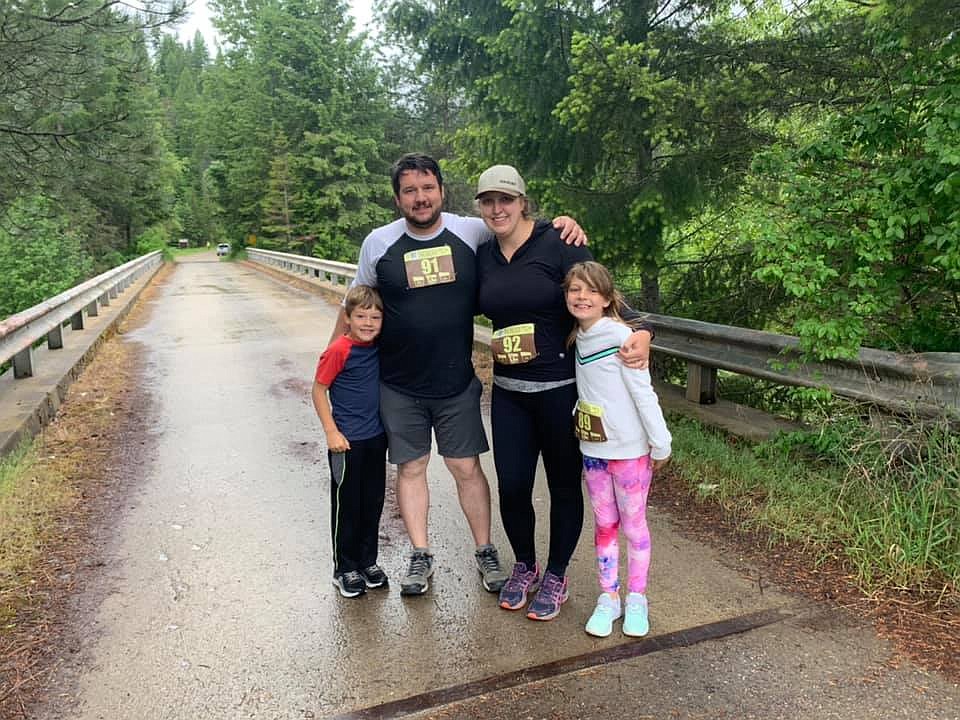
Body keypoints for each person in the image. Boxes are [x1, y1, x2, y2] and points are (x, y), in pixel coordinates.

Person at [327, 153, 588, 597]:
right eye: (409, 190)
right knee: (411, 468)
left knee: (466, 468)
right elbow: (353, 303)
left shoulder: (471, 230)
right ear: (397, 198)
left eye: (427, 188)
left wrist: (565, 223)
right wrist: (334, 360)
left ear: (442, 191)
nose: (420, 197)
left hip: (457, 385)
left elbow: (520, 227)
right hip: (399, 384)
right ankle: (420, 555)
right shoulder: (378, 243)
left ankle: (485, 550)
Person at [475, 165, 654, 621]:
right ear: (480, 207)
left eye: (506, 200)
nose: (498, 209)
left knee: (561, 487)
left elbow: (599, 292)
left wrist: (642, 331)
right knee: (513, 487)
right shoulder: (483, 255)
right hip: (510, 394)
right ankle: (525, 565)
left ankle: (556, 573)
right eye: (488, 201)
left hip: (559, 392)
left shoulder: (559, 241)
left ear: (523, 202)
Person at [564, 261, 672, 638]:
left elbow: (643, 391)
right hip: (593, 452)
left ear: (608, 298)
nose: (582, 297)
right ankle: (608, 597)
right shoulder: (578, 336)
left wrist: (661, 443)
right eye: (575, 290)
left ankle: (637, 598)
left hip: (630, 453)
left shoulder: (619, 337)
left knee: (633, 526)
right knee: (605, 525)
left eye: (591, 290)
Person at [312, 285, 389, 598]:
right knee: (347, 506)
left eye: (375, 317)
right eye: (361, 316)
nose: (368, 323)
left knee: (372, 503)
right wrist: (331, 432)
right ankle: (344, 568)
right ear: (347, 318)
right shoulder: (338, 350)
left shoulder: (378, 347)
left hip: (376, 439)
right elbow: (318, 390)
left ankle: (367, 562)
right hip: (346, 443)